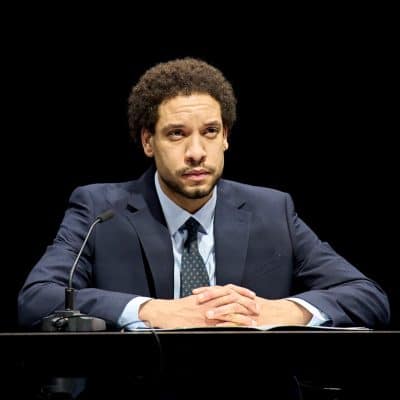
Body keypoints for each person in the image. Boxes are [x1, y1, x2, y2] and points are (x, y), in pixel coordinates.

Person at [18, 57, 390, 398]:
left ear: (225, 136)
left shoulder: (272, 210)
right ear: (148, 141)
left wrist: (279, 314)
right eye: (177, 134)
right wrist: (151, 311)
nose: (196, 152)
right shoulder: (100, 209)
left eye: (210, 131)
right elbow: (38, 298)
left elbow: (367, 296)